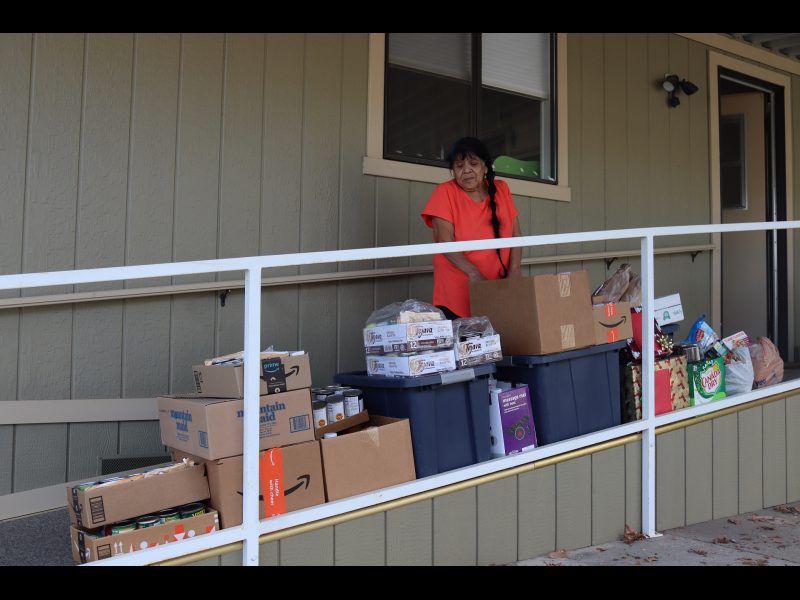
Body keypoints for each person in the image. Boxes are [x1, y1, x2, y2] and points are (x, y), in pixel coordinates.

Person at [421, 137, 523, 319]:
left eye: (473, 164)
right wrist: (474, 273)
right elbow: (444, 241)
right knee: (466, 337)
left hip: (498, 288)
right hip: (457, 293)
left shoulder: (501, 189)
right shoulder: (444, 192)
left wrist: (514, 270)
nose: (466, 170)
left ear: (485, 167)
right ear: (453, 171)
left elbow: (516, 234)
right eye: (459, 166)